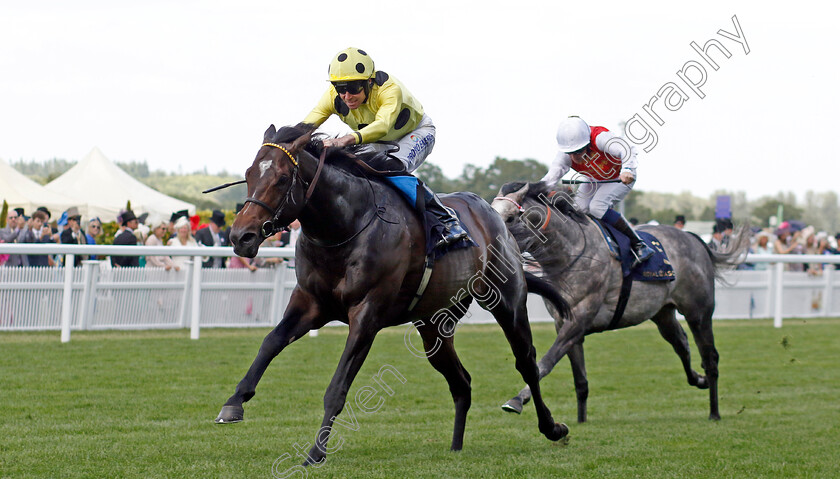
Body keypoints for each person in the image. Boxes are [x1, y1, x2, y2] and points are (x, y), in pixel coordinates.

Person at [300, 47, 468, 249]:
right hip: (377, 140)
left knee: (391, 167)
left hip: (415, 133)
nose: (347, 95)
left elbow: (382, 126)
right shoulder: (332, 97)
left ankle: (447, 220)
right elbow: (306, 126)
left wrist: (344, 140)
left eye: (353, 88)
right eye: (340, 88)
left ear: (369, 81)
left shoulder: (389, 89)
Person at [541, 116, 654, 265]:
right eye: (571, 153)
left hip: (618, 178)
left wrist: (627, 169)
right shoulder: (565, 154)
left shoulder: (600, 138)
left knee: (597, 207)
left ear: (587, 143)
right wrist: (538, 190)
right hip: (594, 179)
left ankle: (639, 244)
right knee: (578, 210)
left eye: (579, 151)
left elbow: (627, 149)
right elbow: (552, 176)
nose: (575, 157)